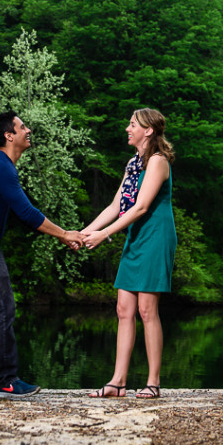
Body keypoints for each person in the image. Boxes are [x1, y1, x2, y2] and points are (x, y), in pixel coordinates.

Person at [0, 111, 83, 400]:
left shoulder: (2, 166)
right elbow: (26, 213)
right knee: (2, 308)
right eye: (22, 126)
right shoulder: (1, 166)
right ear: (8, 135)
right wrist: (65, 234)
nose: (28, 130)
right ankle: (5, 381)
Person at [81, 108, 176, 399]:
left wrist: (105, 235)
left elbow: (141, 207)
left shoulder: (158, 162)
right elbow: (115, 206)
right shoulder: (133, 163)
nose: (127, 128)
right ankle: (118, 381)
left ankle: (153, 382)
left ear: (148, 131)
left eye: (132, 124)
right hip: (136, 235)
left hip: (155, 236)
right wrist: (84, 233)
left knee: (147, 310)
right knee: (124, 309)